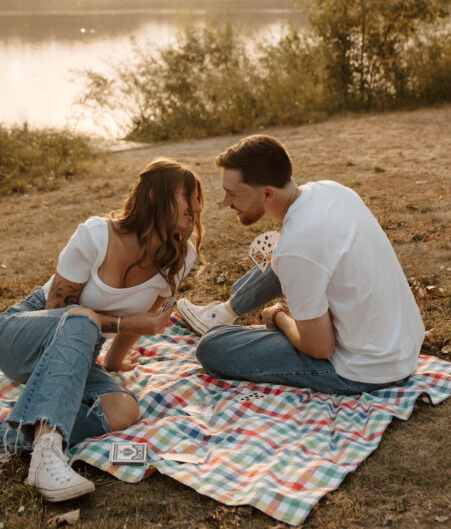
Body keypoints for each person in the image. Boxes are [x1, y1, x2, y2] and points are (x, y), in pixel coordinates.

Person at [0, 158, 203, 501]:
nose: (196, 206)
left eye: (198, 198)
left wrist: (115, 360)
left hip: (77, 353)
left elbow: (144, 312)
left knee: (123, 409)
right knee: (82, 318)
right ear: (153, 196)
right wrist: (124, 324)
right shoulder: (97, 235)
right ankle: (45, 456)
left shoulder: (180, 255)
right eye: (187, 196)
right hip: (23, 332)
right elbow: (60, 314)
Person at [176, 135, 424, 395]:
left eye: (232, 194)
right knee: (282, 255)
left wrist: (279, 317)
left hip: (363, 371)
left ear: (268, 193)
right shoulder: (332, 190)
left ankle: (221, 321)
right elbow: (299, 254)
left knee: (212, 346)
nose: (226, 203)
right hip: (403, 349)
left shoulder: (296, 248)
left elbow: (319, 348)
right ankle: (224, 312)